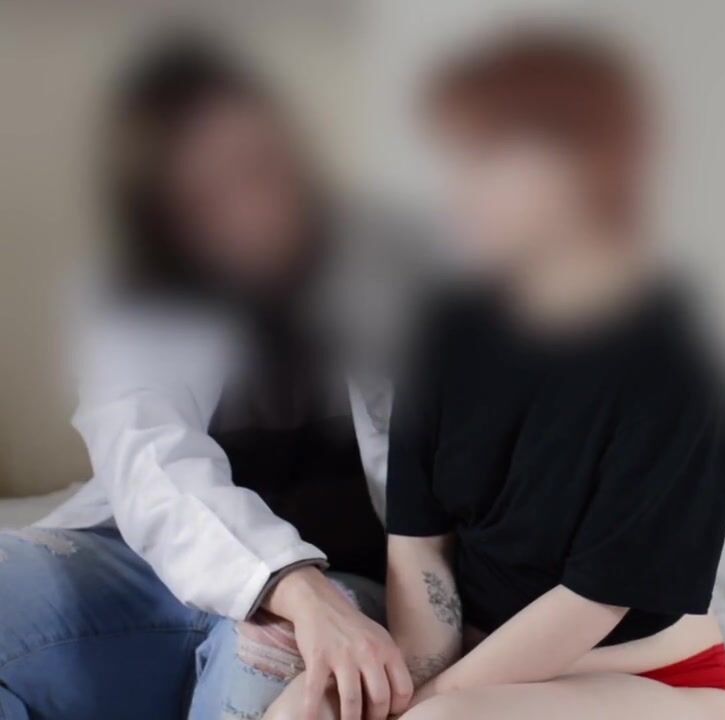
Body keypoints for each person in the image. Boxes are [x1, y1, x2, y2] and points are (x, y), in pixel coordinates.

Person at [266, 26, 725, 720]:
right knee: (301, 710)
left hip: (656, 676)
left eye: (490, 159)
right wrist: (406, 686)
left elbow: (595, 599)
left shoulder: (689, 357)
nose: (457, 190)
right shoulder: (445, 326)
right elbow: (421, 551)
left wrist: (420, 705)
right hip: (470, 665)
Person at [0, 35, 428, 720]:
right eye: (205, 194)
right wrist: (292, 584)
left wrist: (317, 598)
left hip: (348, 584)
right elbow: (146, 454)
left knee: (274, 661)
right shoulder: (131, 292)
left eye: (259, 168)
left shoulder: (392, 263)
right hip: (154, 568)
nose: (249, 207)